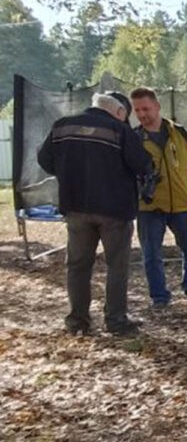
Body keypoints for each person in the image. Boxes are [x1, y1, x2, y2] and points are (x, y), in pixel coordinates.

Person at [36, 91, 154, 336]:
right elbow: (142, 164)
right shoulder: (120, 131)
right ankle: (116, 320)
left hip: (76, 206)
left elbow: (45, 160)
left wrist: (69, 172)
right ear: (120, 112)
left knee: (77, 265)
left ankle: (78, 320)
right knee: (116, 265)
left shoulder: (62, 126)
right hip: (114, 210)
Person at [129, 87, 187, 307]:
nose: (142, 114)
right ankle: (159, 297)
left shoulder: (180, 133)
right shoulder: (134, 138)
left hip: (183, 205)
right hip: (149, 208)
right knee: (151, 254)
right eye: (137, 110)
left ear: (157, 106)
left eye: (145, 108)